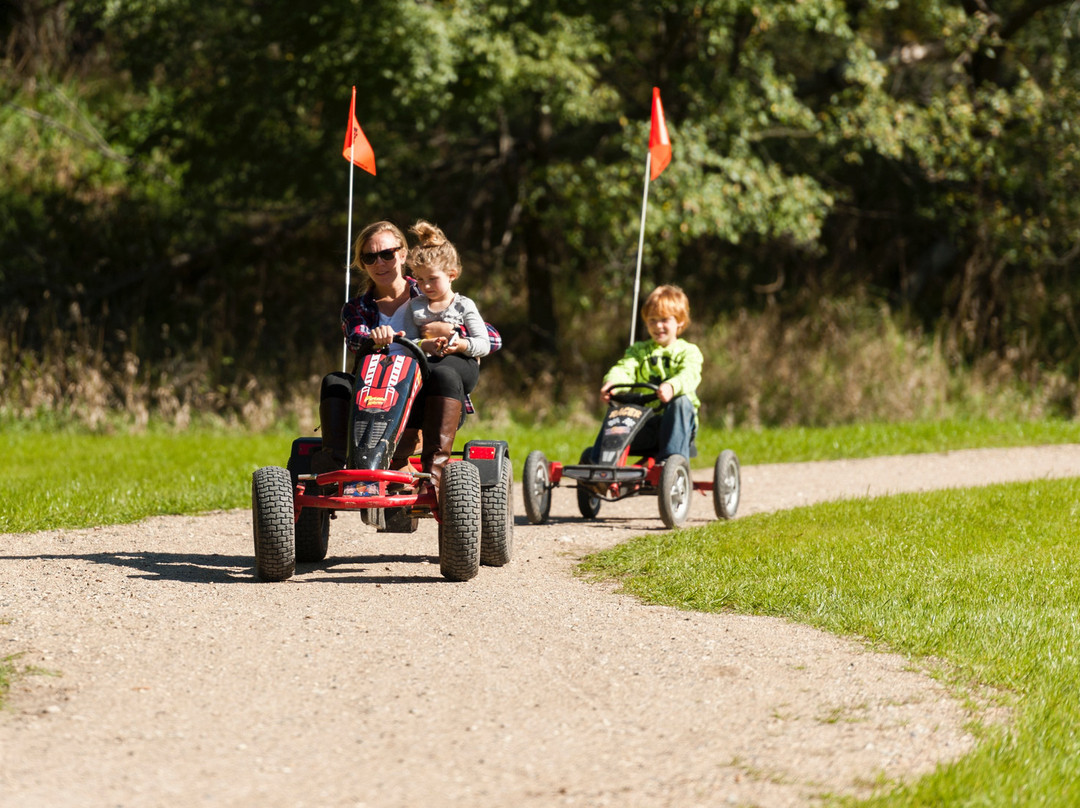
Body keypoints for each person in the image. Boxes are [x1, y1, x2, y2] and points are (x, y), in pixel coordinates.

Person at [313, 219, 500, 502]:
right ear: (362, 264)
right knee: (334, 381)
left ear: (402, 254)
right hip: (375, 391)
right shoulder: (356, 308)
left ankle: (433, 476)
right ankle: (337, 467)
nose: (380, 262)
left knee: (442, 374)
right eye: (370, 257)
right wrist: (373, 339)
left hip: (424, 393)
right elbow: (355, 340)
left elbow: (492, 338)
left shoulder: (428, 289)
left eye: (387, 253)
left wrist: (449, 334)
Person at [594, 284, 702, 463]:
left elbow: (689, 374)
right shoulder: (638, 351)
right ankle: (597, 462)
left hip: (677, 426)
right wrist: (613, 382)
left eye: (664, 319)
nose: (658, 325)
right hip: (642, 424)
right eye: (652, 320)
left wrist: (672, 386)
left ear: (680, 321)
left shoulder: (689, 351)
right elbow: (625, 368)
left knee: (681, 402)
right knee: (618, 408)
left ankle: (670, 462)